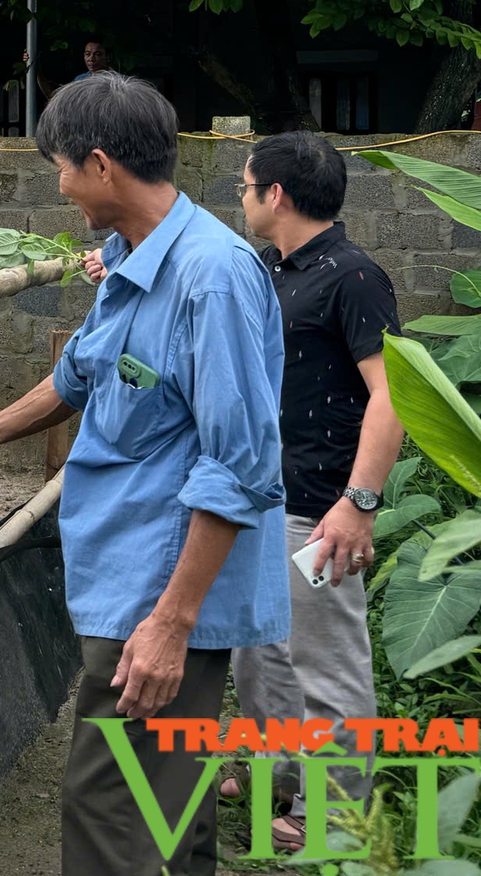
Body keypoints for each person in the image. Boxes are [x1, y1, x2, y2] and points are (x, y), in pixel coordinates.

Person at [0, 71, 288, 875]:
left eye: (59, 166)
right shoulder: (132, 257)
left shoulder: (213, 277)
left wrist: (171, 624)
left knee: (108, 810)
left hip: (160, 594)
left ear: (99, 165)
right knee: (175, 802)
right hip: (126, 566)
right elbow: (84, 374)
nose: (57, 186)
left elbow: (239, 466)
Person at [226, 132, 401, 852]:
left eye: (244, 185)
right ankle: (280, 777)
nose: (240, 198)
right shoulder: (271, 267)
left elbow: (392, 398)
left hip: (319, 508)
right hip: (262, 497)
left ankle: (337, 823)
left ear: (276, 195)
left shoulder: (354, 277)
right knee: (262, 655)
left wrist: (359, 502)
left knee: (326, 665)